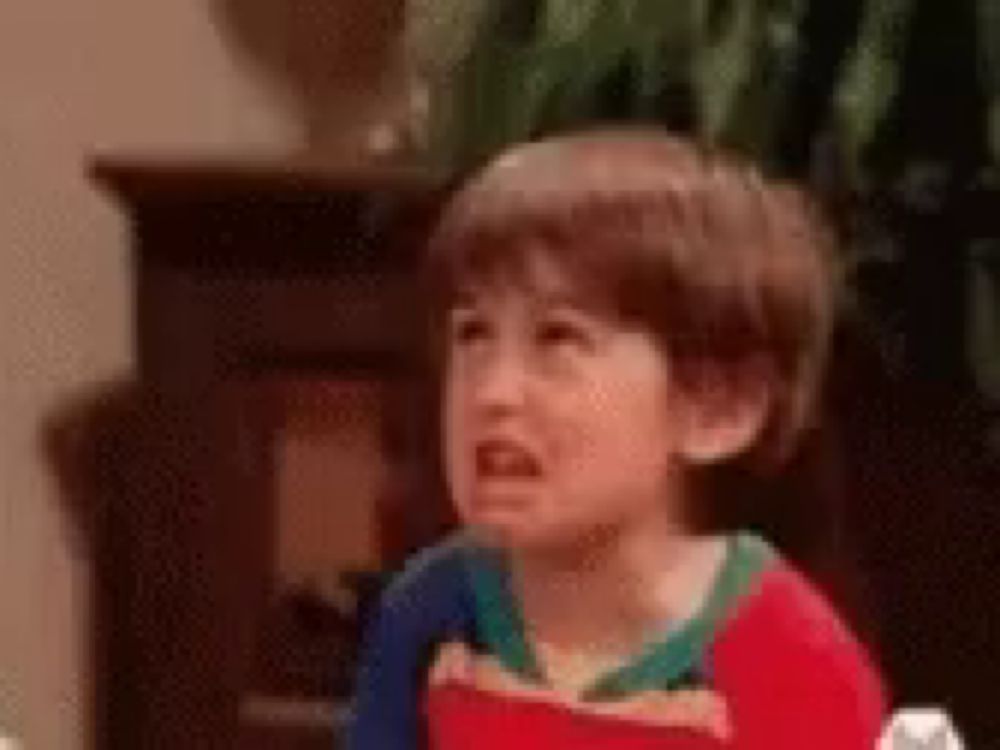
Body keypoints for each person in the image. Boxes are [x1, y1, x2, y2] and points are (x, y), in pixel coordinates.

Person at [344, 128, 887, 749]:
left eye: (557, 339)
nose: (493, 391)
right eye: (473, 335)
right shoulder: (428, 612)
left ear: (717, 410)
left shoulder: (792, 659)